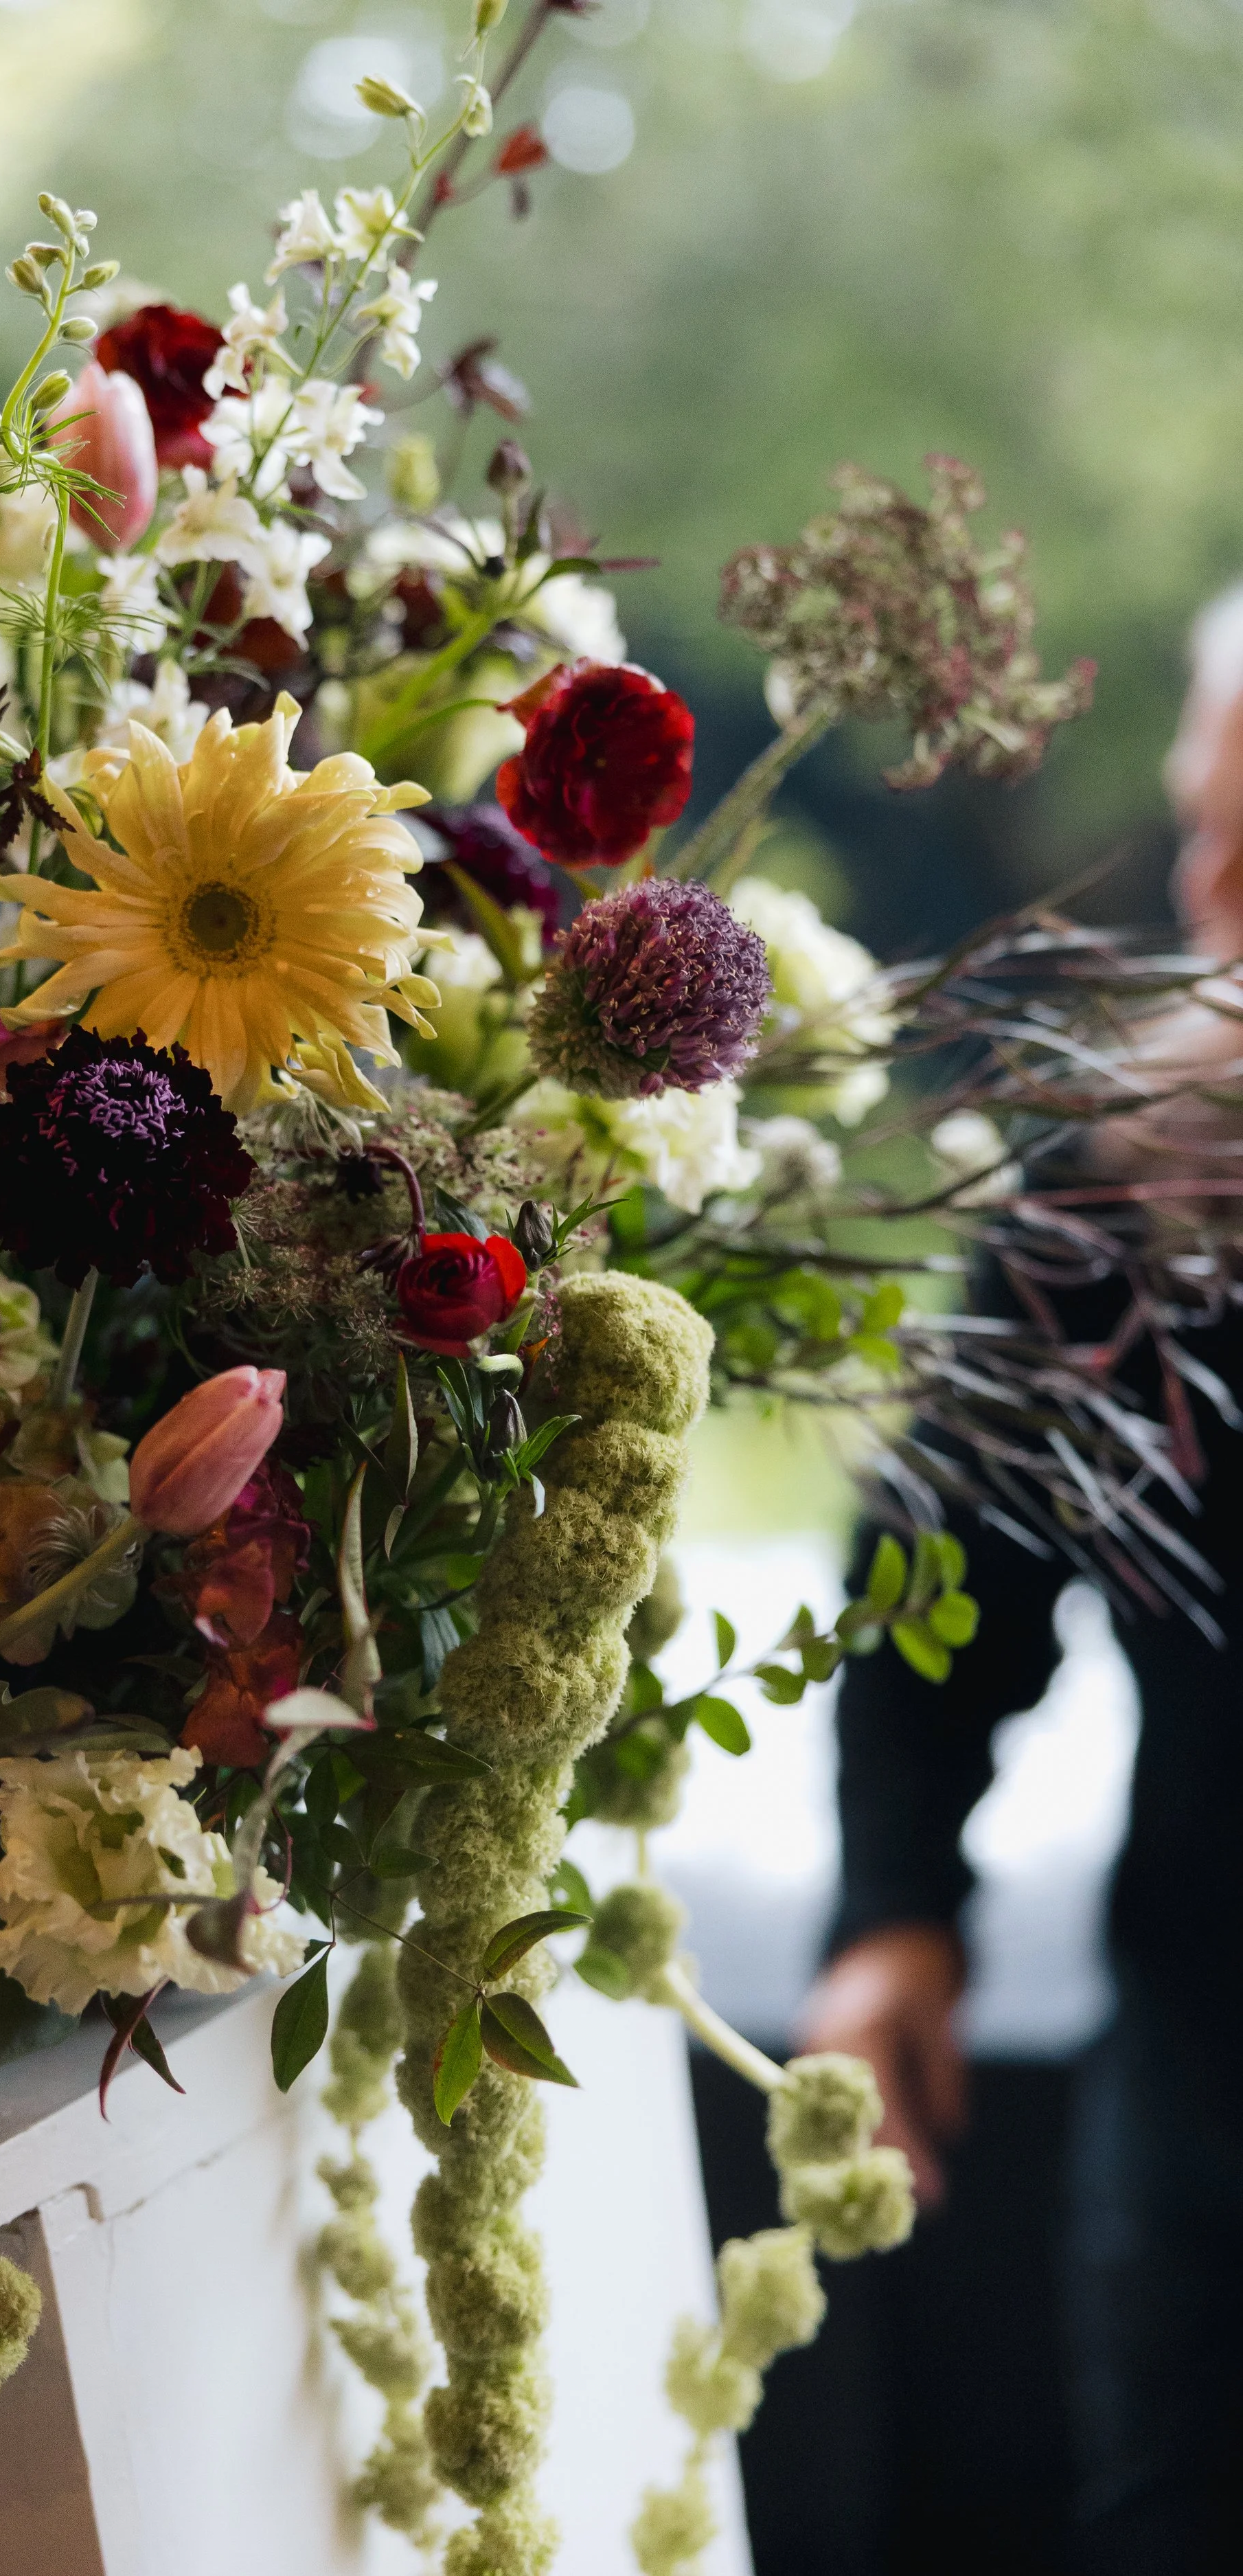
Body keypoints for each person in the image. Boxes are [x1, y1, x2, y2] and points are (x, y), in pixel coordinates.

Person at [799, 587, 1243, 2576]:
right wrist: (895, 1904)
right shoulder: (1128, 1167)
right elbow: (937, 1566)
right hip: (1214, 2067)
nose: (1211, 901)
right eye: (1206, 830)